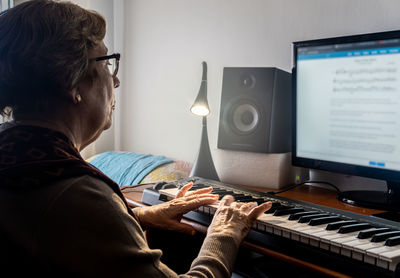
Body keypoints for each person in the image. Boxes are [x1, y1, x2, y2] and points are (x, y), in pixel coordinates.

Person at [0, 1, 271, 277]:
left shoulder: (17, 162)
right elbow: (73, 213)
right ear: (71, 82)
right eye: (106, 63)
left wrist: (138, 216)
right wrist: (223, 234)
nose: (115, 82)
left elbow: (58, 230)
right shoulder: (75, 192)